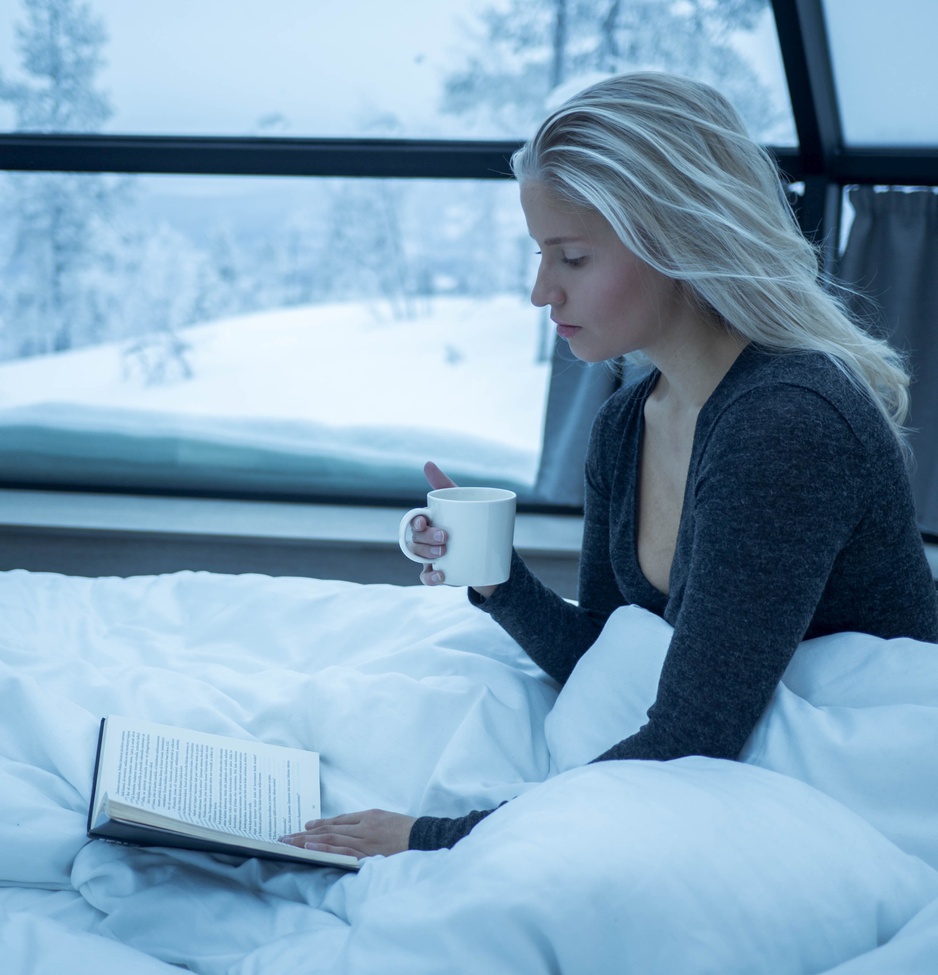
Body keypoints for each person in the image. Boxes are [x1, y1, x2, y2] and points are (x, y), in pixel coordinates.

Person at [280, 71, 938, 860]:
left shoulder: (785, 426)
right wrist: (496, 580)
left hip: (868, 788)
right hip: (739, 763)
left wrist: (434, 838)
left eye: (574, 256)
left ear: (678, 239)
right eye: (540, 255)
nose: (539, 291)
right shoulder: (629, 421)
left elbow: (693, 737)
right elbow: (606, 653)